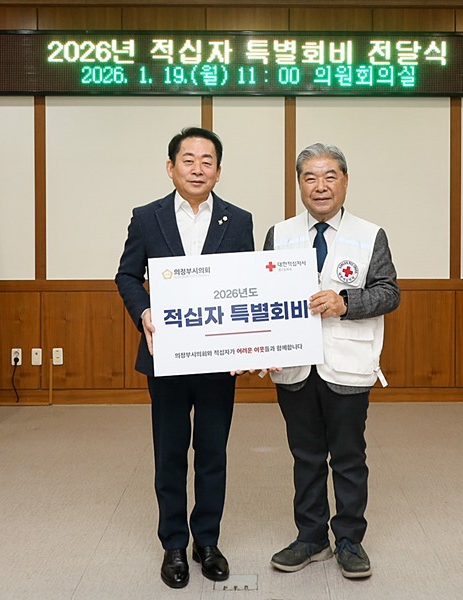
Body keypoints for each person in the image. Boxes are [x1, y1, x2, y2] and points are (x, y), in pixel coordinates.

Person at [115, 127, 254, 589]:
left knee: (213, 453)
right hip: (167, 357)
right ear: (170, 167)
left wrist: (245, 343)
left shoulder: (238, 221)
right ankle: (174, 543)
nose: (198, 168)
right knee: (170, 453)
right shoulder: (147, 217)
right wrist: (144, 311)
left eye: (207, 161)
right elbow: (126, 275)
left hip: (217, 360)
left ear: (219, 170)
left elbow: (246, 286)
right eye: (188, 160)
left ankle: (207, 542)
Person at [264, 143, 400, 579]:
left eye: (329, 176)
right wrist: (265, 348)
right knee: (305, 456)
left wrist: (346, 302)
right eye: (310, 177)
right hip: (295, 366)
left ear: (345, 181)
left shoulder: (370, 234)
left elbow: (389, 293)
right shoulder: (279, 234)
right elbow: (264, 298)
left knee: (348, 457)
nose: (320, 186)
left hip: (348, 363)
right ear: (299, 184)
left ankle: (349, 541)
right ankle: (310, 538)